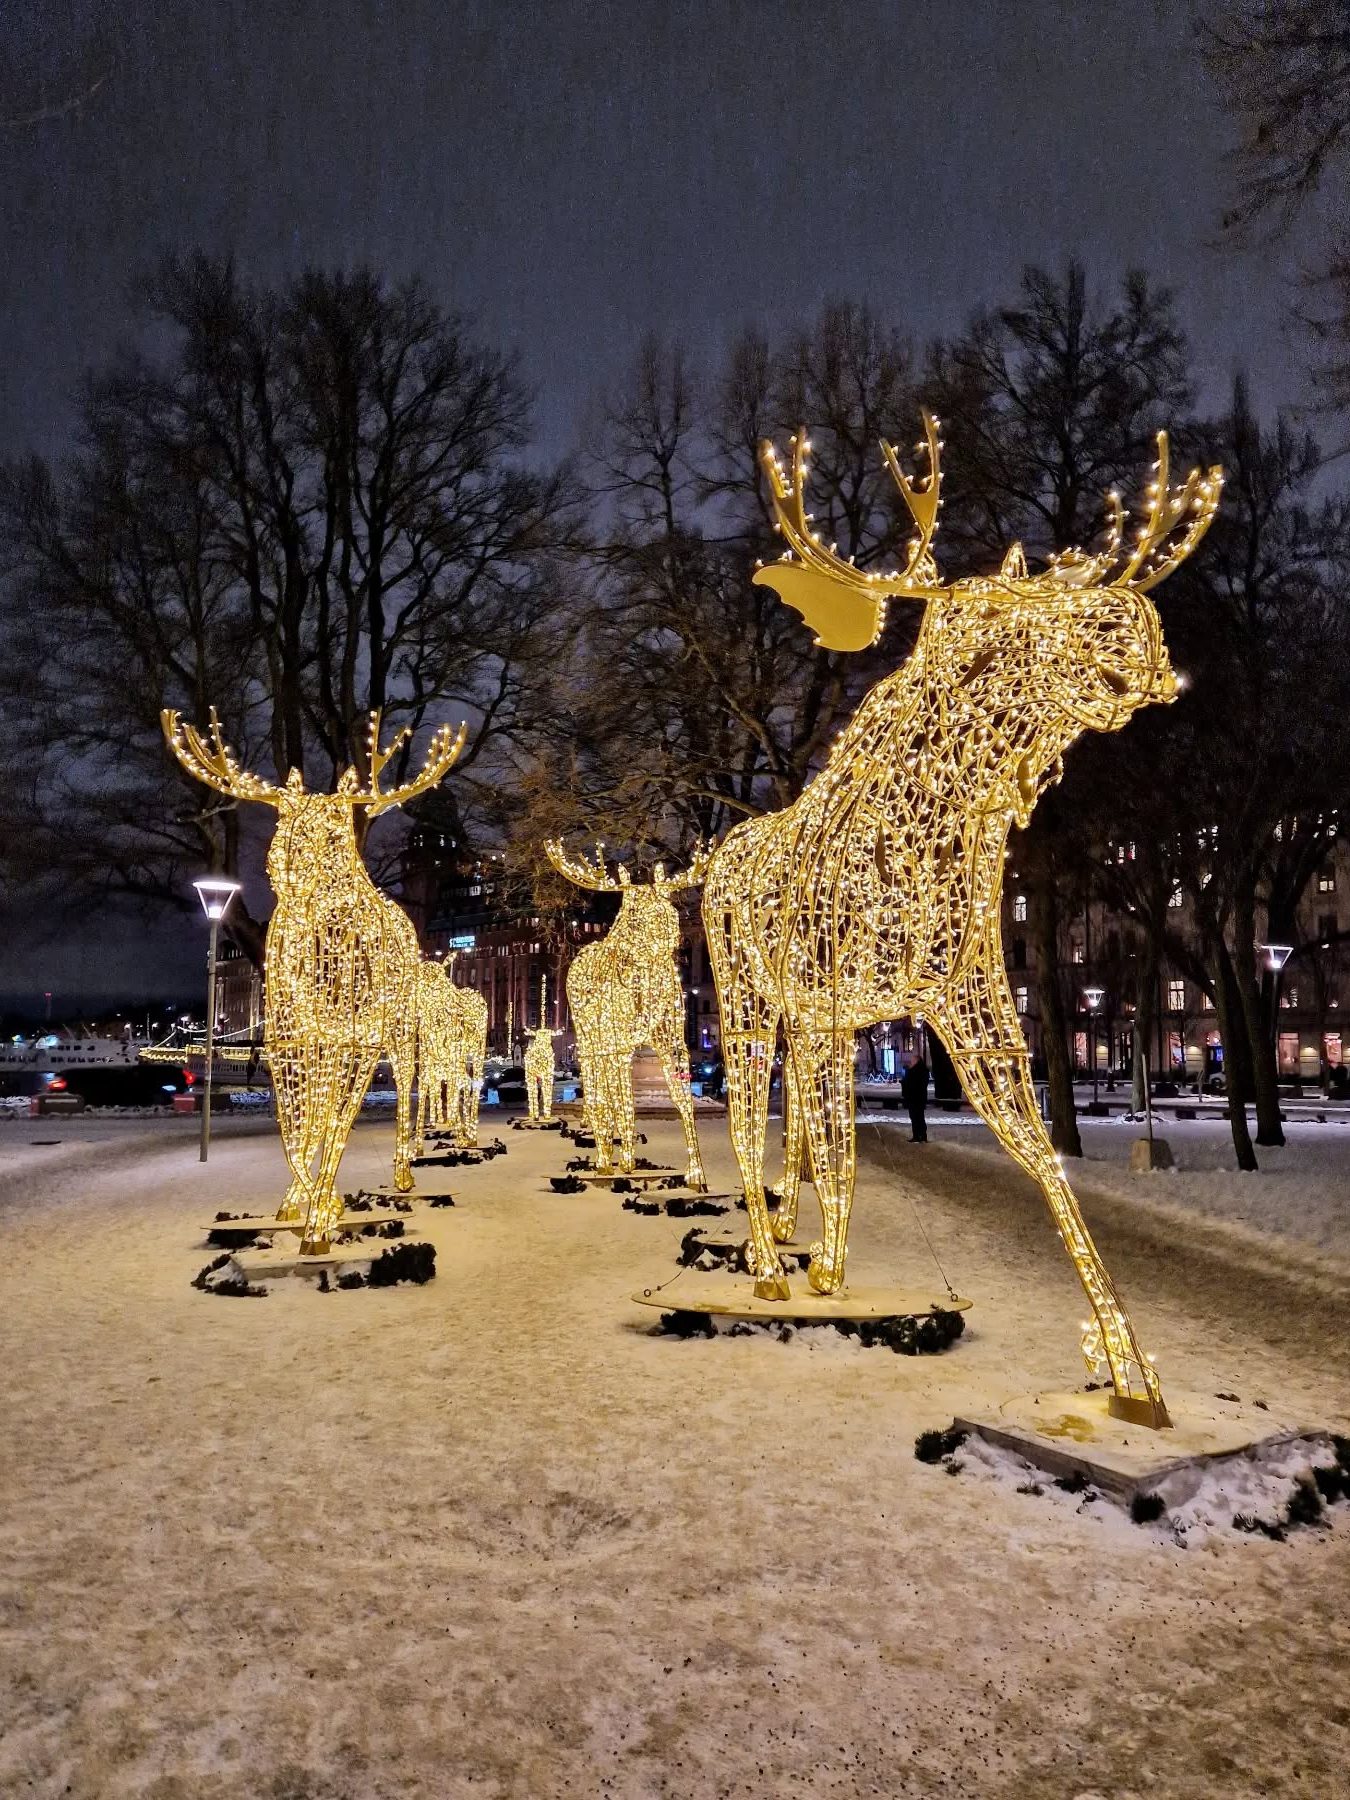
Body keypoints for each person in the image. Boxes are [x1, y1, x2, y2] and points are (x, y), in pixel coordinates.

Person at [901, 1054, 928, 1143]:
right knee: (920, 1117)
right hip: (920, 1097)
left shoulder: (914, 1071)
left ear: (916, 1060)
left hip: (914, 1097)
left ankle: (917, 1136)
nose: (910, 1062)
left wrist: (904, 1082)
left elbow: (911, 1084)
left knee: (915, 1117)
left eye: (912, 1060)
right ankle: (922, 1136)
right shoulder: (923, 1070)